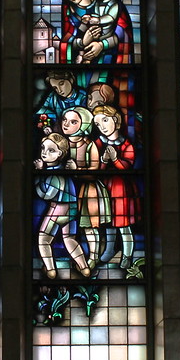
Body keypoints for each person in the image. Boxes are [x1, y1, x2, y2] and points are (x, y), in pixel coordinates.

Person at [34, 133, 90, 279]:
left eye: (51, 150)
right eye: (43, 148)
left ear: (60, 154)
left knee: (43, 239)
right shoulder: (64, 171)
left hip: (58, 209)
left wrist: (39, 174)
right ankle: (84, 267)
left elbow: (46, 194)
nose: (44, 153)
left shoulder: (54, 174)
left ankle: (50, 270)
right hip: (72, 209)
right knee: (69, 238)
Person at [61, 107, 111, 269]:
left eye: (73, 122)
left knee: (89, 226)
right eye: (64, 120)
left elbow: (94, 172)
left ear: (84, 124)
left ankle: (93, 257)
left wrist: (77, 169)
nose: (66, 124)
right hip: (68, 190)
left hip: (89, 190)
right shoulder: (62, 143)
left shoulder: (90, 145)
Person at [92, 104, 140, 269]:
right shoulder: (98, 143)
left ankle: (127, 255)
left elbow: (127, 166)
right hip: (104, 188)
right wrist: (104, 161)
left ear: (116, 120)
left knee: (124, 225)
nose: (102, 126)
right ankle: (109, 251)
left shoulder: (126, 144)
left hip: (122, 189)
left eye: (105, 120)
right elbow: (96, 168)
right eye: (98, 124)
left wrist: (115, 159)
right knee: (109, 224)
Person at [56, 0, 134, 64]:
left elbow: (122, 32)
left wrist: (102, 45)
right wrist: (82, 42)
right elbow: (68, 40)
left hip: (108, 58)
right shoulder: (70, 13)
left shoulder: (109, 4)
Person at [36, 70, 87, 134]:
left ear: (71, 80)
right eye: (55, 88)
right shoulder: (53, 97)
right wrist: (52, 119)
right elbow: (41, 110)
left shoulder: (83, 97)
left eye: (61, 84)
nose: (59, 90)